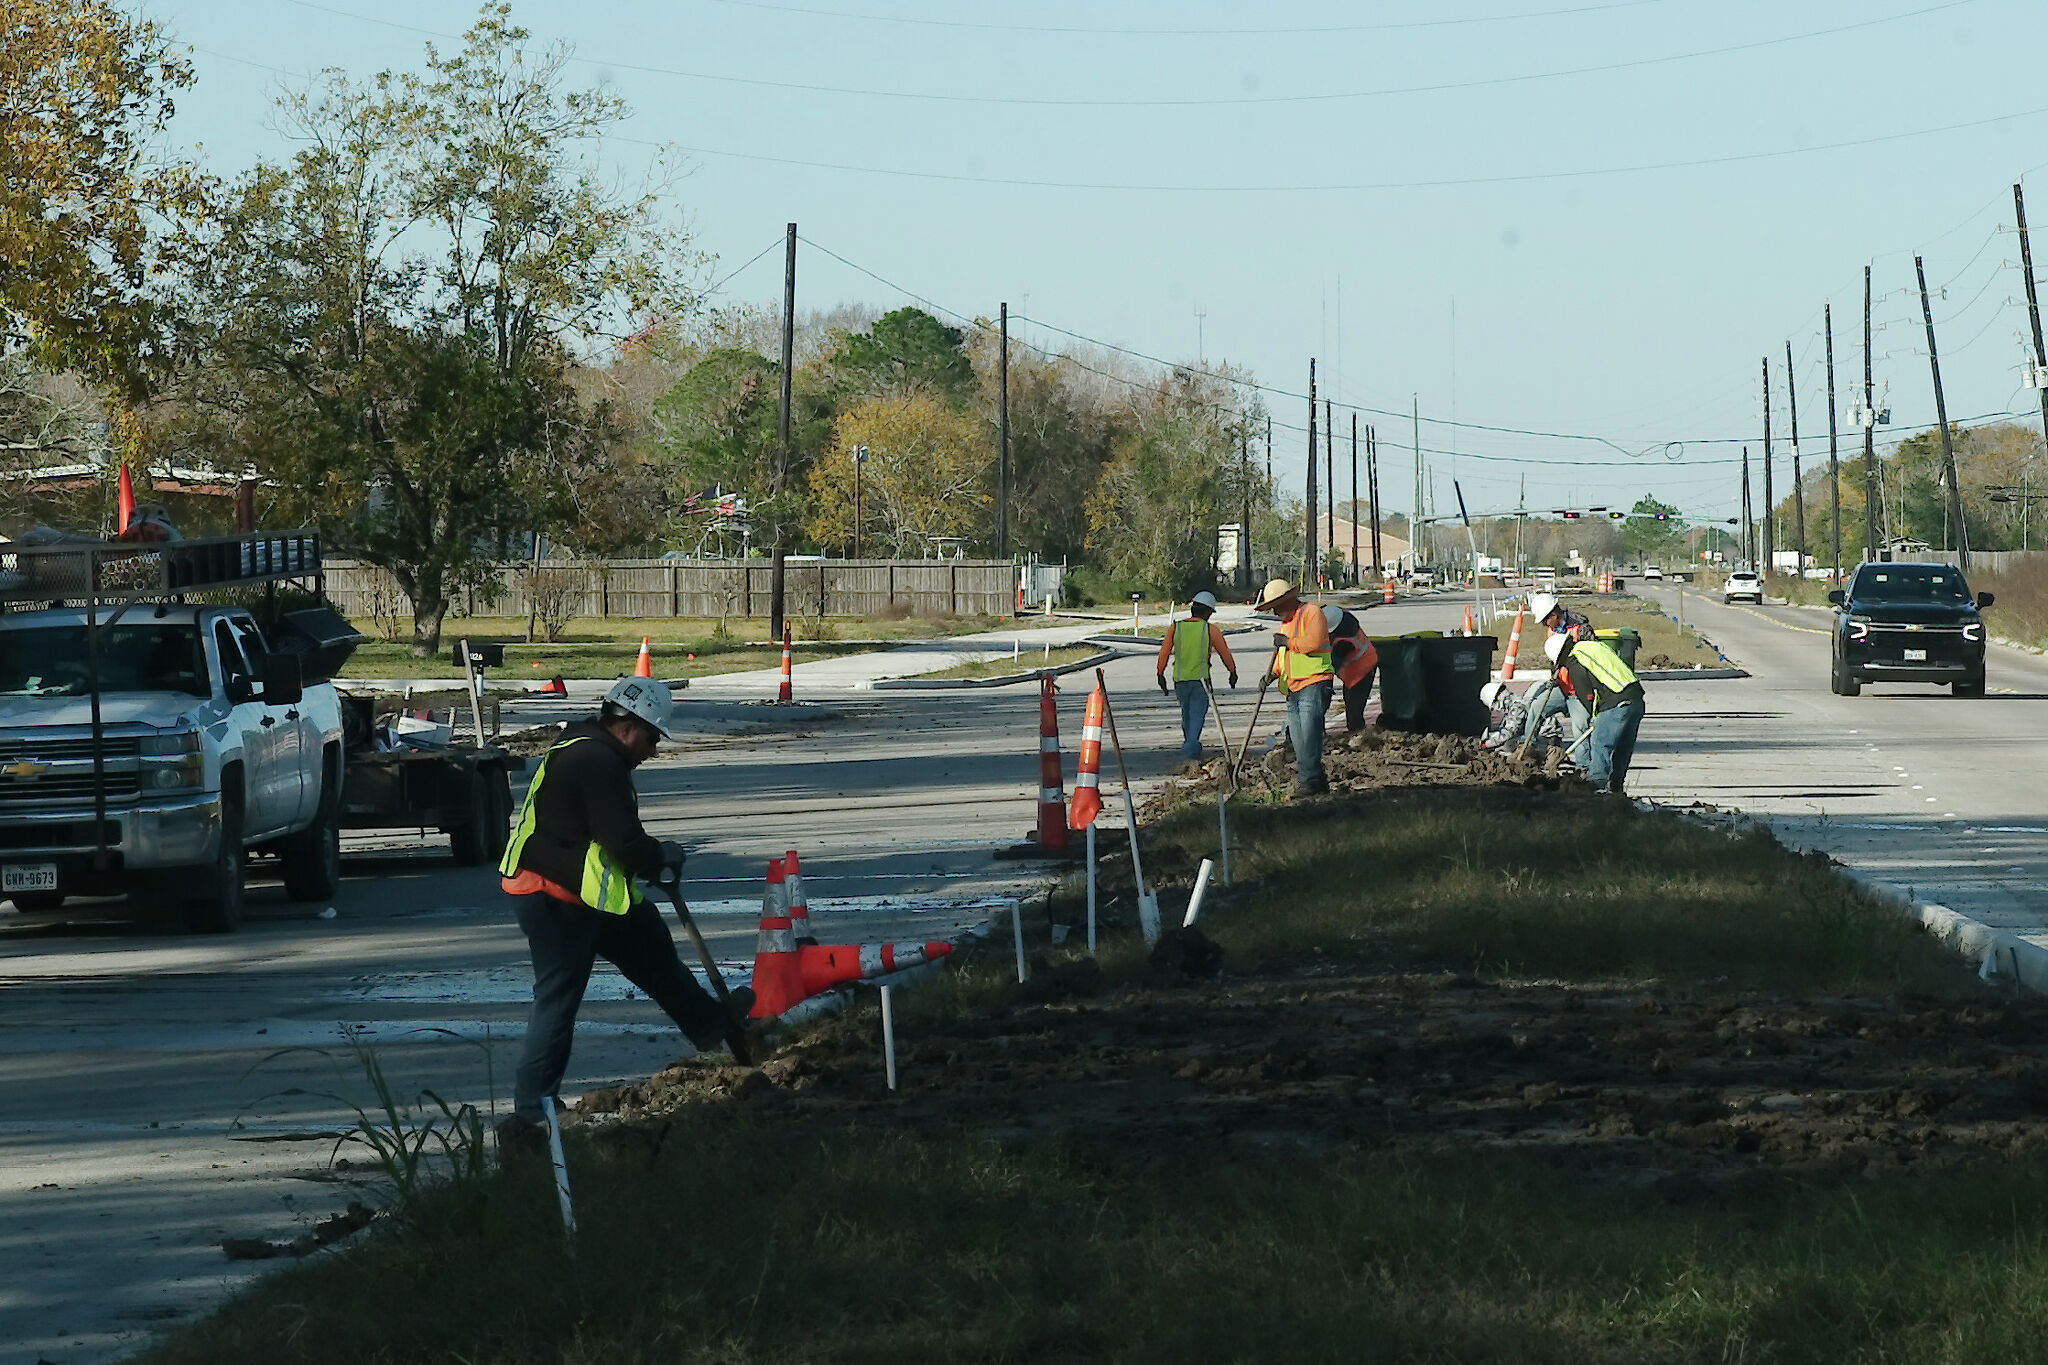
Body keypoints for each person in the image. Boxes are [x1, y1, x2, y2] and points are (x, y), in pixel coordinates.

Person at [497, 676, 752, 1146]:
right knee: (558, 997)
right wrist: (660, 857)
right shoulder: (595, 761)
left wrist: (652, 858)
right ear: (629, 726)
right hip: (552, 895)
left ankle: (710, 1023)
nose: (652, 750)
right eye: (653, 737)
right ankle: (533, 1108)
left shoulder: (588, 747)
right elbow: (623, 842)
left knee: (649, 942)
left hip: (582, 892)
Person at [1254, 578, 1333, 797]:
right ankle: (1316, 780)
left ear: (1287, 601)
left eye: (1276, 608)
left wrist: (1288, 643)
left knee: (1309, 738)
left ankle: (1308, 781)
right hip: (1293, 689)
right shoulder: (1286, 624)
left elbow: (1314, 642)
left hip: (1314, 683)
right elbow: (1284, 657)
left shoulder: (1312, 613)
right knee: (1299, 742)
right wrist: (1271, 675)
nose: (1275, 613)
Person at [1545, 631, 1646, 794]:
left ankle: (1596, 785)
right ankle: (1616, 787)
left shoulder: (1575, 662)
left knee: (1600, 742)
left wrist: (1595, 718)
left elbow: (1587, 697)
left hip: (1616, 699)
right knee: (1622, 747)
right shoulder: (1591, 645)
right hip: (1636, 698)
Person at [1154, 591, 1238, 764]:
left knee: (1187, 715)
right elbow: (1225, 654)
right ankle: (1189, 751)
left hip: (1180, 681)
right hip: (1201, 681)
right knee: (1197, 715)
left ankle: (1191, 744)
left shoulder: (1176, 627)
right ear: (1207, 612)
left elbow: (1164, 653)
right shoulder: (1209, 629)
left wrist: (1160, 673)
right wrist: (1232, 672)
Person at [1516, 591, 1594, 749]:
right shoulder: (1551, 631)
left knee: (1579, 730)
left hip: (1579, 691)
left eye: (1545, 620)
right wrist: (1554, 677)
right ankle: (1527, 747)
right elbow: (1554, 658)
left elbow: (1592, 659)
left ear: (1553, 614)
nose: (1545, 624)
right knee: (1536, 707)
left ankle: (1585, 767)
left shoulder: (1581, 629)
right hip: (1562, 687)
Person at [1323, 604, 1380, 733]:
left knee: (1354, 709)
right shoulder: (1340, 615)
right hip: (1359, 667)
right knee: (1350, 702)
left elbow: (1332, 666)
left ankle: (1358, 735)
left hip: (1362, 672)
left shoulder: (1344, 642)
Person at [1478, 679, 1528, 751]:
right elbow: (1504, 728)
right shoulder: (1512, 707)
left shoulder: (1517, 707)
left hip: (1537, 737)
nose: (1497, 709)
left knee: (1508, 745)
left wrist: (1487, 744)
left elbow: (1508, 733)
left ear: (1498, 698)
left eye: (1494, 706)